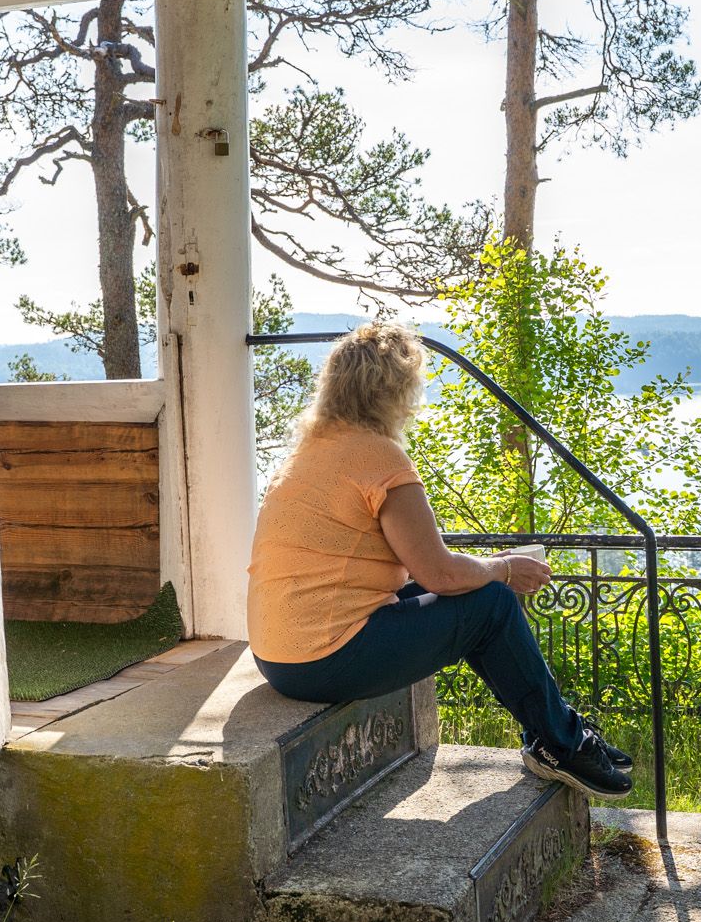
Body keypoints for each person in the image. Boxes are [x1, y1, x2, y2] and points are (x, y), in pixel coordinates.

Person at [245, 322, 634, 798]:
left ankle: (558, 728)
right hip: (327, 658)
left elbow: (414, 568)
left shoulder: (307, 455)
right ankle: (560, 744)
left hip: (277, 658)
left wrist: (483, 568)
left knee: (474, 592)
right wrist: (504, 569)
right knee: (491, 602)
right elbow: (440, 574)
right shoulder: (378, 457)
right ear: (394, 391)